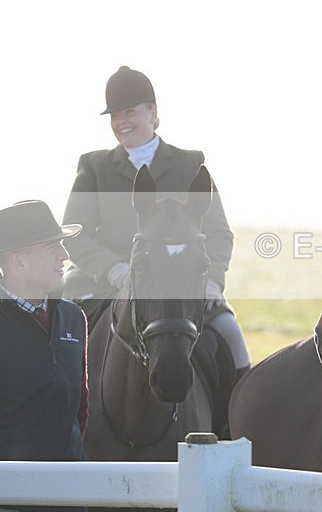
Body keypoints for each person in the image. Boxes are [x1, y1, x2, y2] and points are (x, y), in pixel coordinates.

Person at [61, 67, 250, 429]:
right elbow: (74, 234)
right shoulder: (94, 167)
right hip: (103, 285)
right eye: (115, 116)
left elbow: (218, 234)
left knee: (230, 334)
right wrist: (113, 269)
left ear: (153, 113)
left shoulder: (189, 164)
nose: (121, 122)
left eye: (129, 112)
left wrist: (212, 280)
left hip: (180, 285)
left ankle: (231, 430)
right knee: (57, 335)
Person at [0, 200, 87, 512]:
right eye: (53, 247)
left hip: (72, 495)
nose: (65, 256)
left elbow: (81, 409)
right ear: (18, 262)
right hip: (10, 499)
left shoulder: (74, 317)